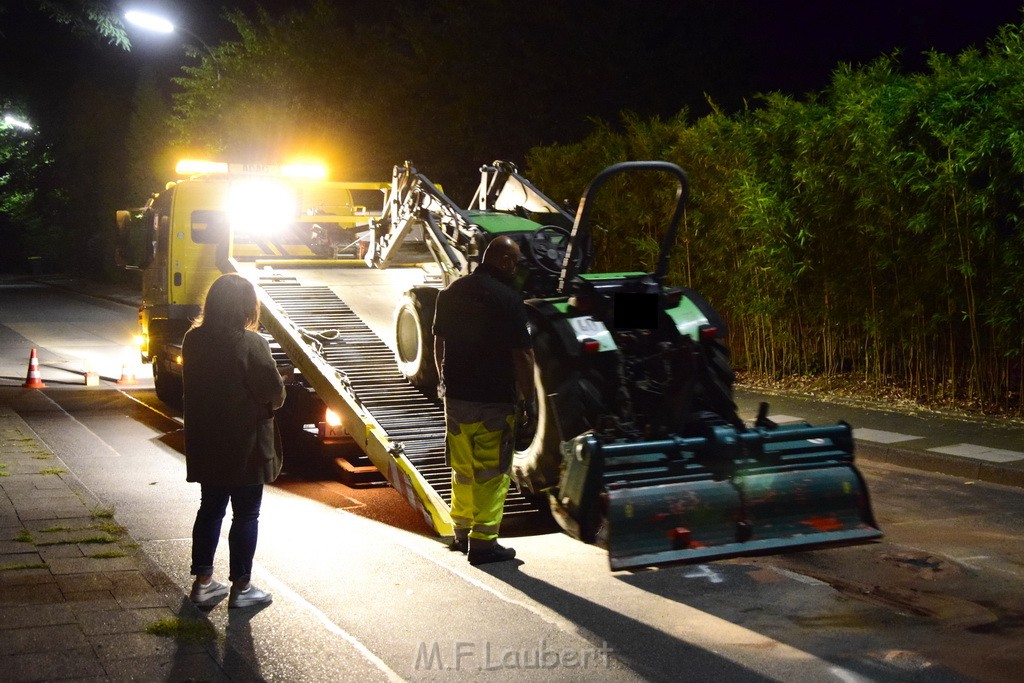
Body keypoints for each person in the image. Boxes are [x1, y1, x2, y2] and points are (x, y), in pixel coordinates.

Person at [182, 273, 286, 608]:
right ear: (247, 306)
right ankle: (242, 588)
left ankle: (203, 583)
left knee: (210, 509)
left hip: (207, 441)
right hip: (245, 445)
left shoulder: (192, 340)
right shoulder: (251, 343)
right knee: (246, 514)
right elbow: (274, 393)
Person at [433, 235, 536, 565]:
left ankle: (461, 531)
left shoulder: (450, 293)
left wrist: (444, 380)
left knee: (462, 468)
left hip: (457, 397)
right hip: (494, 399)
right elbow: (522, 353)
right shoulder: (508, 299)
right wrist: (530, 400)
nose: (516, 269)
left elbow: (439, 343)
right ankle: (483, 544)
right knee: (491, 473)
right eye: (515, 263)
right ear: (504, 262)